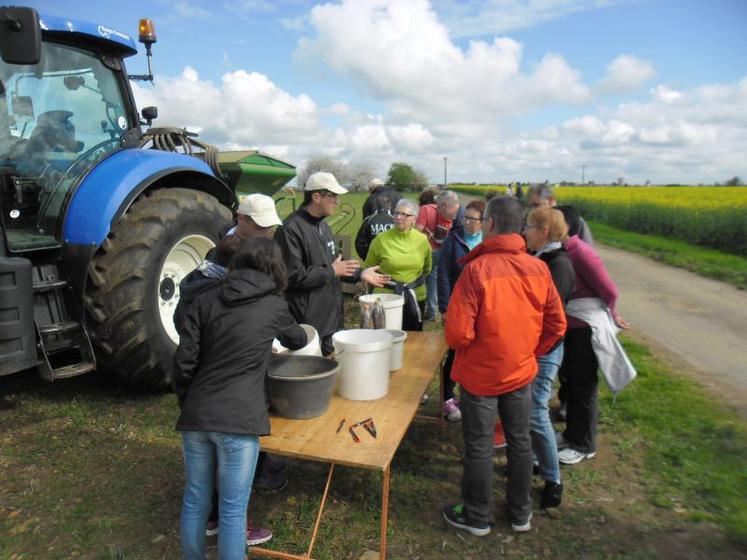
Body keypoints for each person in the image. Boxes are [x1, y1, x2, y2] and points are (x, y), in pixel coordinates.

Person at [173, 237, 308, 560]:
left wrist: (188, 403)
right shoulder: (274, 306)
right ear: (275, 268)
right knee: (233, 510)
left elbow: (184, 363)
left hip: (197, 417)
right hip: (239, 420)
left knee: (196, 499)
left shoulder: (204, 300)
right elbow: (299, 337)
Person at [441, 197, 566, 536]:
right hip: (520, 372)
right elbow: (557, 325)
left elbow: (455, 334)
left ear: (490, 224)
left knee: (480, 446)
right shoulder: (538, 268)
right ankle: (520, 512)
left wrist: (480, 346)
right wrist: (528, 351)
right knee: (520, 441)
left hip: (481, 376)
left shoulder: (477, 270)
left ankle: (477, 516)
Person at [275, 172, 390, 355]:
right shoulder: (291, 229)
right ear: (316, 197)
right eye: (333, 196)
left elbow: (337, 265)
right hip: (309, 325)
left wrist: (360, 274)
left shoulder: (322, 225)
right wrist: (331, 271)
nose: (337, 201)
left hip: (331, 318)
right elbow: (291, 276)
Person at [555, 205, 633, 466]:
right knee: (573, 386)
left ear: (566, 226)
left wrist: (612, 313)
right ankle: (571, 434)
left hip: (585, 330)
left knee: (584, 388)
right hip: (572, 329)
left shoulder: (580, 253)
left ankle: (584, 444)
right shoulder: (562, 251)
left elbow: (609, 290)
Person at [523, 207, 576, 509]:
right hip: (534, 345)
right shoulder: (542, 258)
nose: (525, 231)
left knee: (536, 411)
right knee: (529, 408)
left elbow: (548, 315)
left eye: (529, 226)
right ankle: (536, 459)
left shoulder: (559, 265)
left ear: (544, 231)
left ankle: (553, 478)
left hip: (547, 348)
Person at [437, 199, 485, 422]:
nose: (467, 222)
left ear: (484, 222)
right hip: (458, 308)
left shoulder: (488, 242)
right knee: (455, 352)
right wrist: (445, 308)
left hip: (482, 310)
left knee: (476, 353)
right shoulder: (453, 239)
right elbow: (444, 274)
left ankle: (469, 394)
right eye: (465, 217)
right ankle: (447, 396)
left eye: (472, 219)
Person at [363, 198, 432, 331]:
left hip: (415, 297)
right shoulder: (381, 240)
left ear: (414, 219)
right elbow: (368, 269)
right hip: (386, 299)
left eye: (405, 215)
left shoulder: (422, 241)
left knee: (413, 341)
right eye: (396, 213)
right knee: (387, 339)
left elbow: (427, 269)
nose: (399, 217)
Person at [415, 190, 462, 321]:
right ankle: (432, 311)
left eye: (439, 205)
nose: (436, 207)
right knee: (433, 279)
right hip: (439, 253)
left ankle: (420, 307)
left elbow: (416, 231)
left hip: (430, 253)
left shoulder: (425, 210)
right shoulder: (436, 211)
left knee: (420, 277)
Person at [527, 184, 593, 245]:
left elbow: (588, 252)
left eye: (536, 205)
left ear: (550, 200)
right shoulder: (535, 221)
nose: (533, 210)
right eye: (531, 206)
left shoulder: (574, 220)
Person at [354, 192, 394, 260]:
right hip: (393, 260)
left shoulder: (368, 220)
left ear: (376, 205)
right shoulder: (395, 220)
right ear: (389, 206)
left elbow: (359, 243)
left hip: (373, 260)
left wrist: (367, 258)